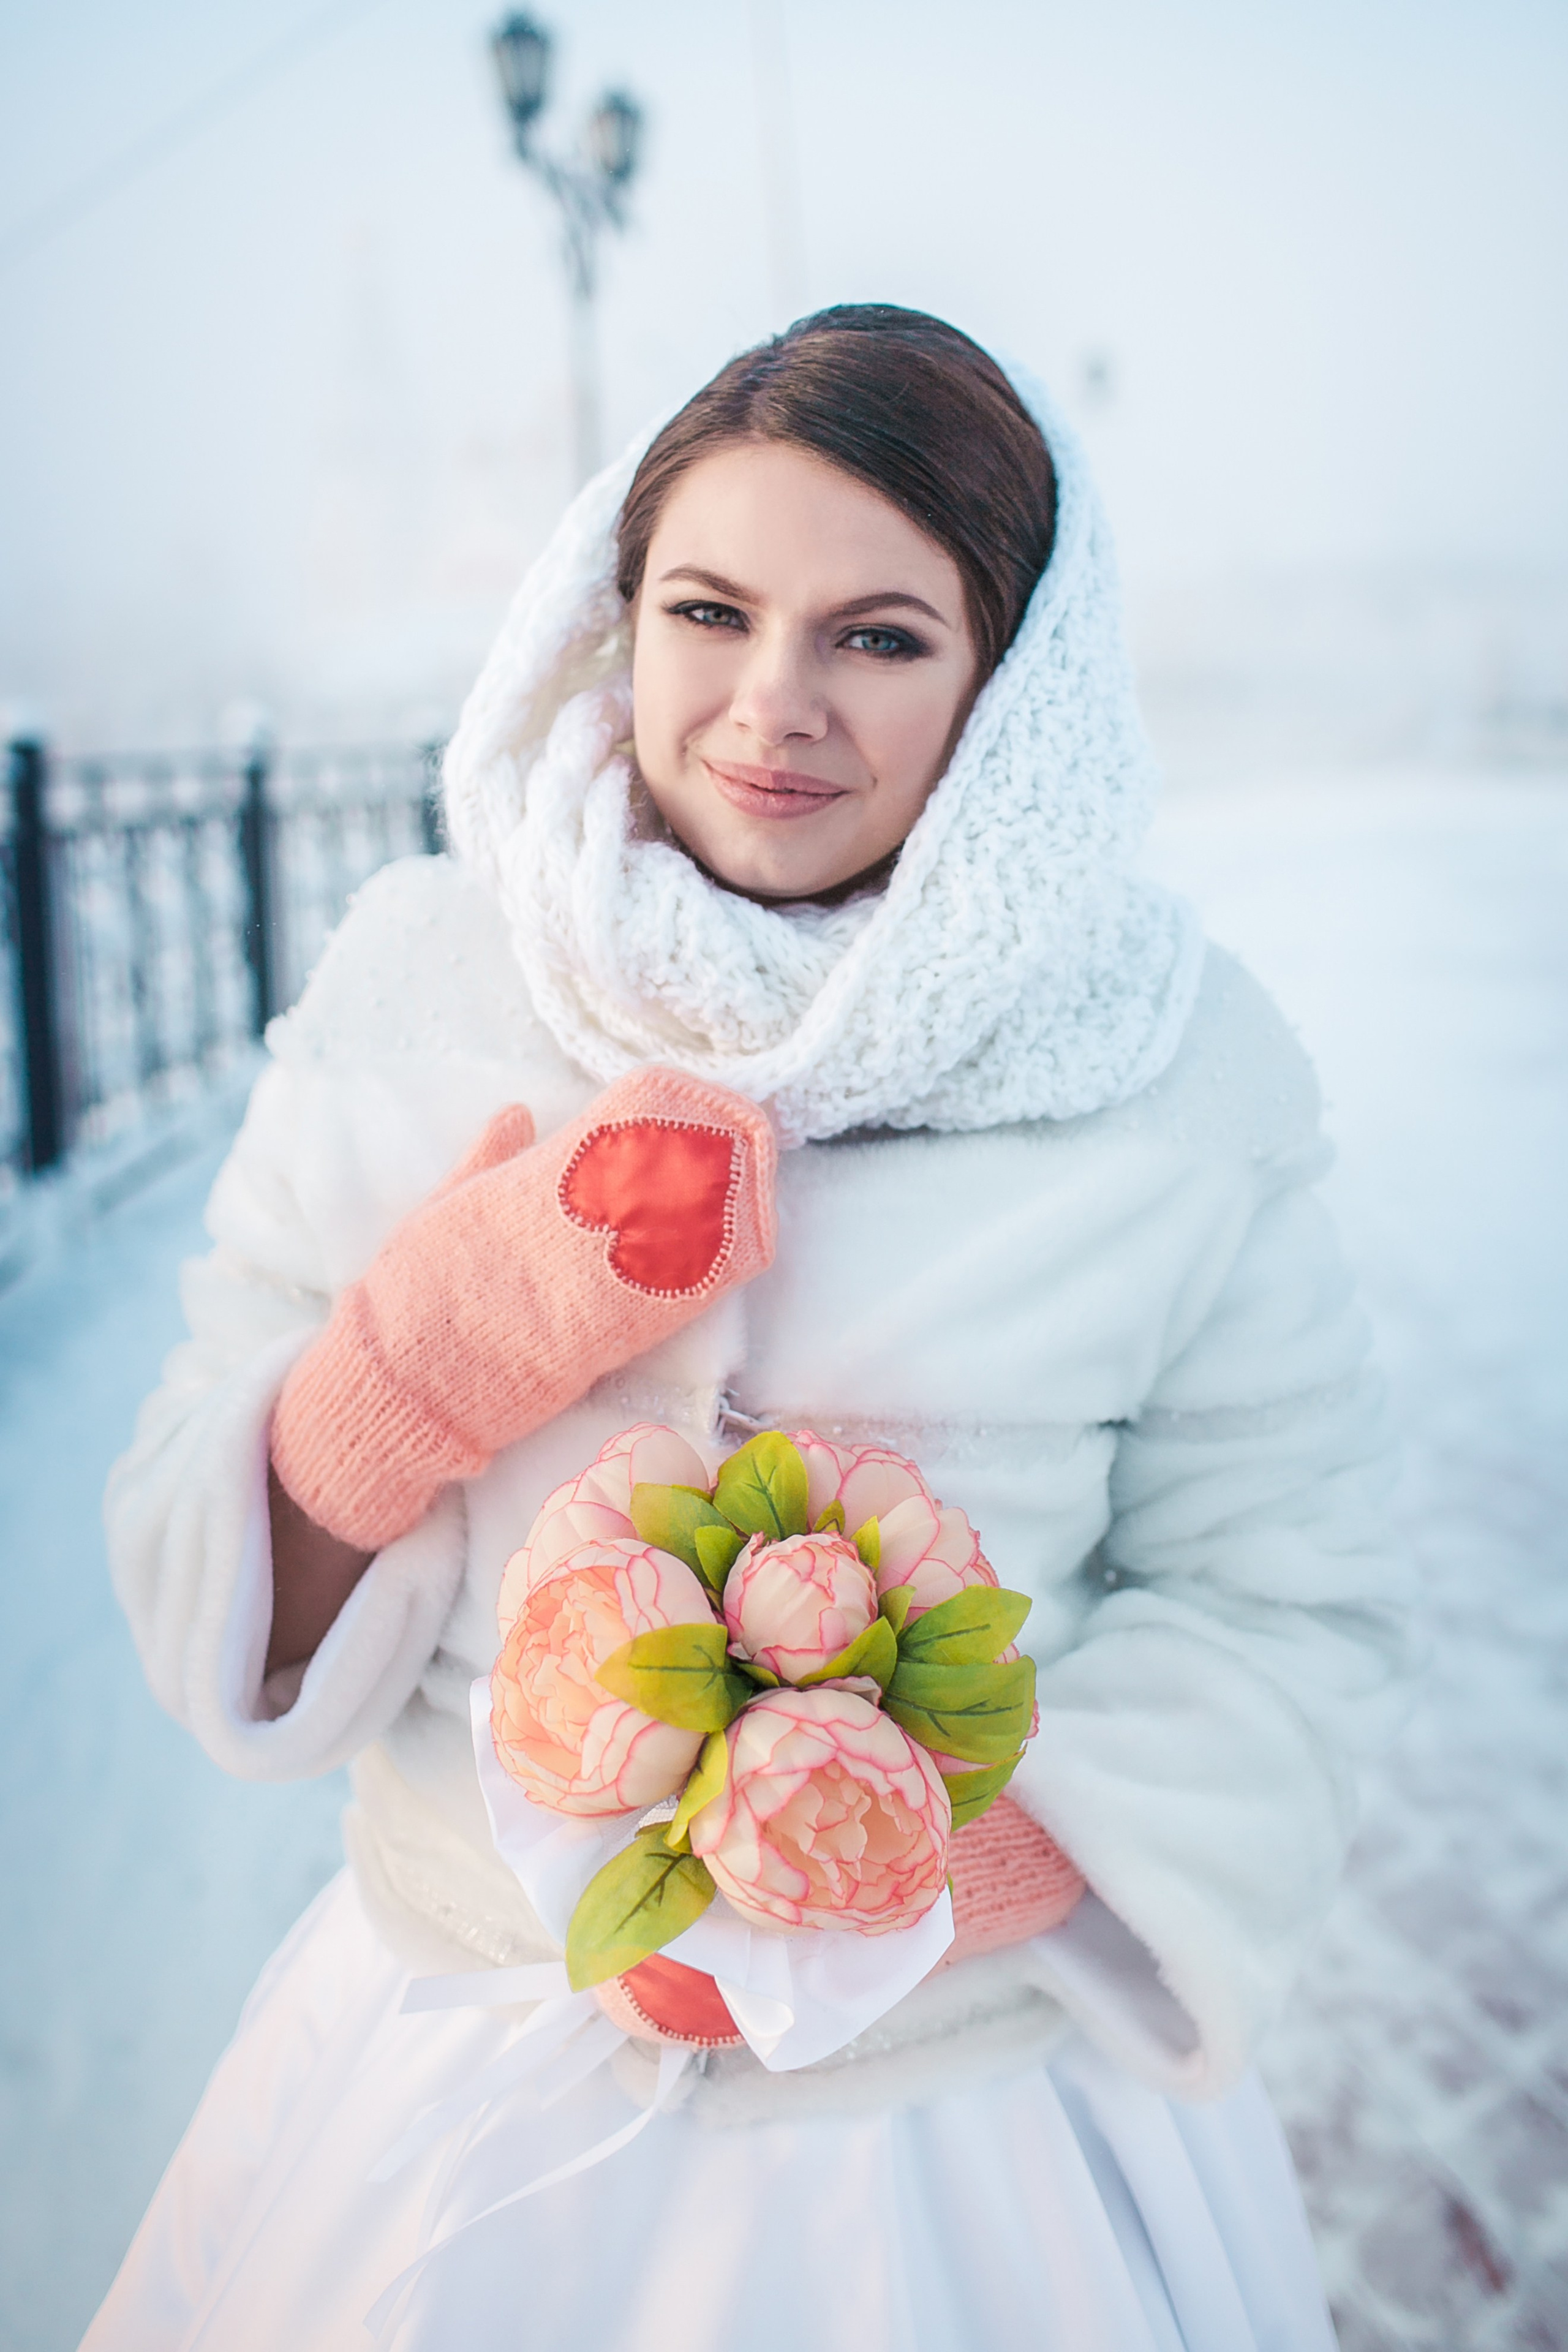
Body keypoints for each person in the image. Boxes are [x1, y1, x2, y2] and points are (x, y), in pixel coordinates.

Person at [85, 306, 1405, 2351]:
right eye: (709, 611)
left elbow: (1291, 1608)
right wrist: (419, 1362)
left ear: (1011, 686)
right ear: (614, 622)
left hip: (964, 2146)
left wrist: (926, 1871)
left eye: (880, 636)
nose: (772, 704)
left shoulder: (1172, 1076)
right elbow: (198, 1580)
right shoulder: (421, 991)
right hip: (459, 2070)